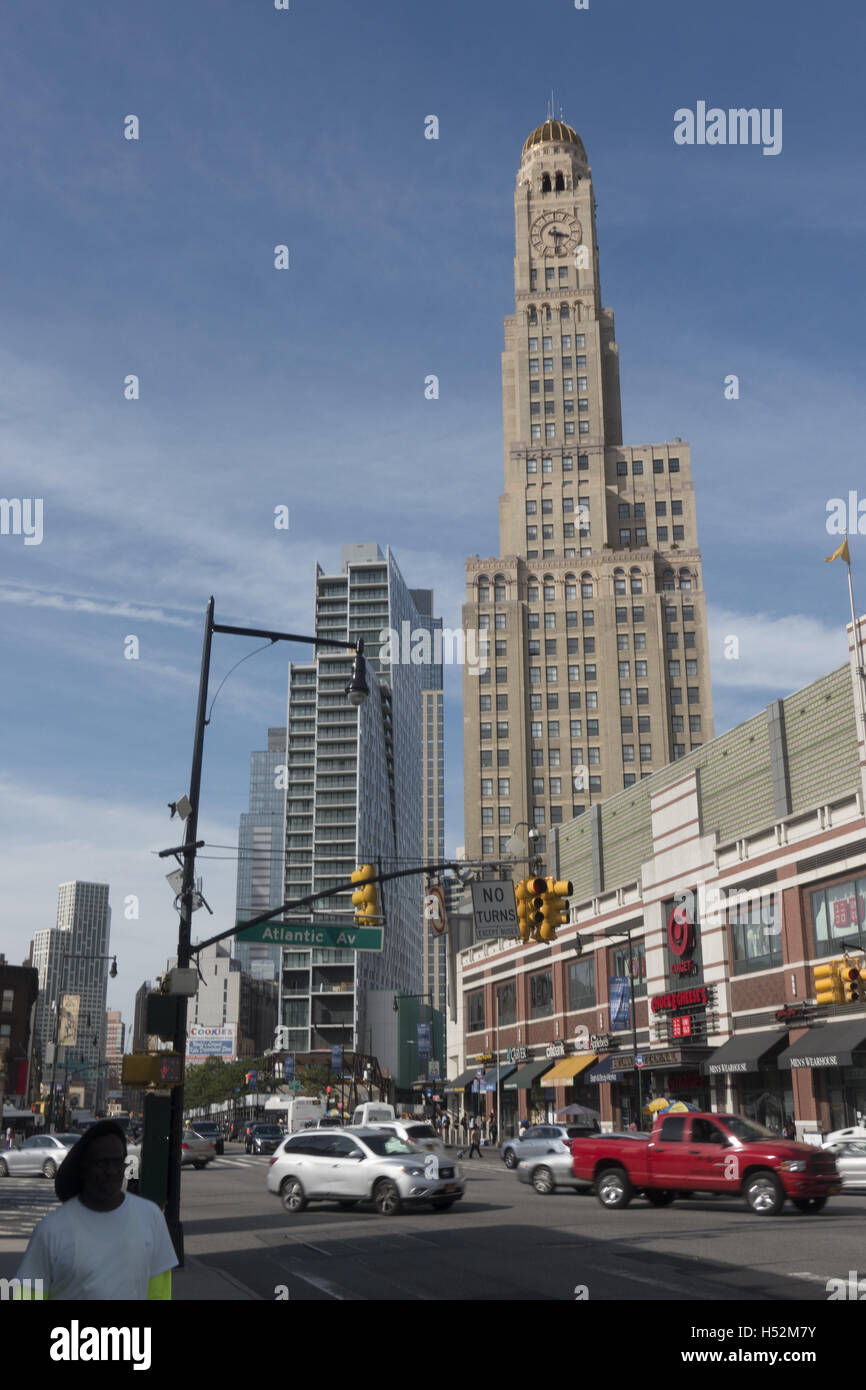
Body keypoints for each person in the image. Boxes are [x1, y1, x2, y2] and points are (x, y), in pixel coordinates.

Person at [14, 1119, 178, 1300]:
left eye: (117, 1162)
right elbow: (27, 1295)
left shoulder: (151, 1217)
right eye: (102, 1163)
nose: (111, 1170)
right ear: (84, 1168)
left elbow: (159, 1293)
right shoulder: (50, 1230)